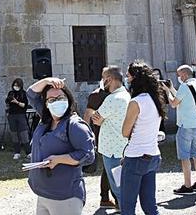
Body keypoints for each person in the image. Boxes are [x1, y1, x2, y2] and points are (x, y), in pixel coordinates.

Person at [26, 77, 95, 215]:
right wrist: (47, 81)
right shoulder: (46, 119)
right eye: (51, 100)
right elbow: (31, 94)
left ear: (68, 99)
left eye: (60, 97)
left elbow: (87, 155)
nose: (56, 102)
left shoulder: (75, 125)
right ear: (46, 104)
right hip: (43, 194)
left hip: (65, 196)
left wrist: (58, 159)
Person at [119, 61, 165, 215]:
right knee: (150, 206)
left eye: (128, 76)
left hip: (136, 156)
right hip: (152, 154)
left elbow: (125, 132)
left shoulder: (136, 102)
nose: (127, 79)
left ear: (135, 79)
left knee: (127, 207)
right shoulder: (155, 99)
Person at [90, 66, 129, 206]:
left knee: (117, 185)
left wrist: (101, 120)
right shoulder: (126, 94)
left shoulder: (113, 99)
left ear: (109, 79)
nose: (102, 81)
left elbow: (96, 118)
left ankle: (124, 208)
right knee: (121, 182)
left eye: (103, 77)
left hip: (112, 149)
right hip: (121, 145)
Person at [82, 69, 118, 209]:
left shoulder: (117, 94)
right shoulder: (96, 95)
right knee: (110, 167)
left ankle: (107, 197)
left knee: (110, 167)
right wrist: (87, 135)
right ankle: (111, 198)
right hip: (102, 136)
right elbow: (87, 115)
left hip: (116, 135)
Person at [168, 64, 196, 195]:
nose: (179, 77)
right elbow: (182, 98)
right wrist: (172, 89)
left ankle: (187, 185)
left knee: (184, 156)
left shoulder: (184, 86)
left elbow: (173, 103)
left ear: (184, 74)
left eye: (179, 75)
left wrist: (167, 92)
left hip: (185, 125)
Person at [5, 77, 30, 160]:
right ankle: (17, 152)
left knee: (24, 134)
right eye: (14, 85)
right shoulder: (11, 93)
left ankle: (28, 152)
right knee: (14, 134)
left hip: (21, 115)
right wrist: (9, 101)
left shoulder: (23, 93)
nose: (15, 87)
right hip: (12, 115)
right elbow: (7, 101)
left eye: (17, 85)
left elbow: (24, 105)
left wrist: (17, 102)